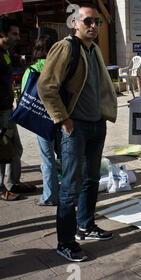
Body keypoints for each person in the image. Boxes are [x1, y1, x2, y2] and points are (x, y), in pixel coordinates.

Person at [38, 4, 117, 262]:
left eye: (97, 22)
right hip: (76, 126)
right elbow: (46, 87)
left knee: (91, 179)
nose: (93, 26)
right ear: (75, 23)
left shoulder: (93, 49)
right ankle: (66, 241)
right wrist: (63, 120)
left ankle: (86, 225)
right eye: (88, 21)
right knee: (70, 186)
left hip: (96, 124)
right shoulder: (66, 47)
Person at [0, 15, 37, 201]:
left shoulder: (5, 53)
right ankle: (2, 188)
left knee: (15, 148)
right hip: (0, 111)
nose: (18, 37)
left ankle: (12, 183)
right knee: (4, 148)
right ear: (2, 34)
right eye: (14, 34)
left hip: (7, 108)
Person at [21, 34, 59, 206]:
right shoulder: (60, 67)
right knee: (66, 157)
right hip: (62, 117)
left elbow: (24, 96)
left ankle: (50, 196)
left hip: (41, 120)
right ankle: (69, 194)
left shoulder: (32, 70)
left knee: (47, 159)